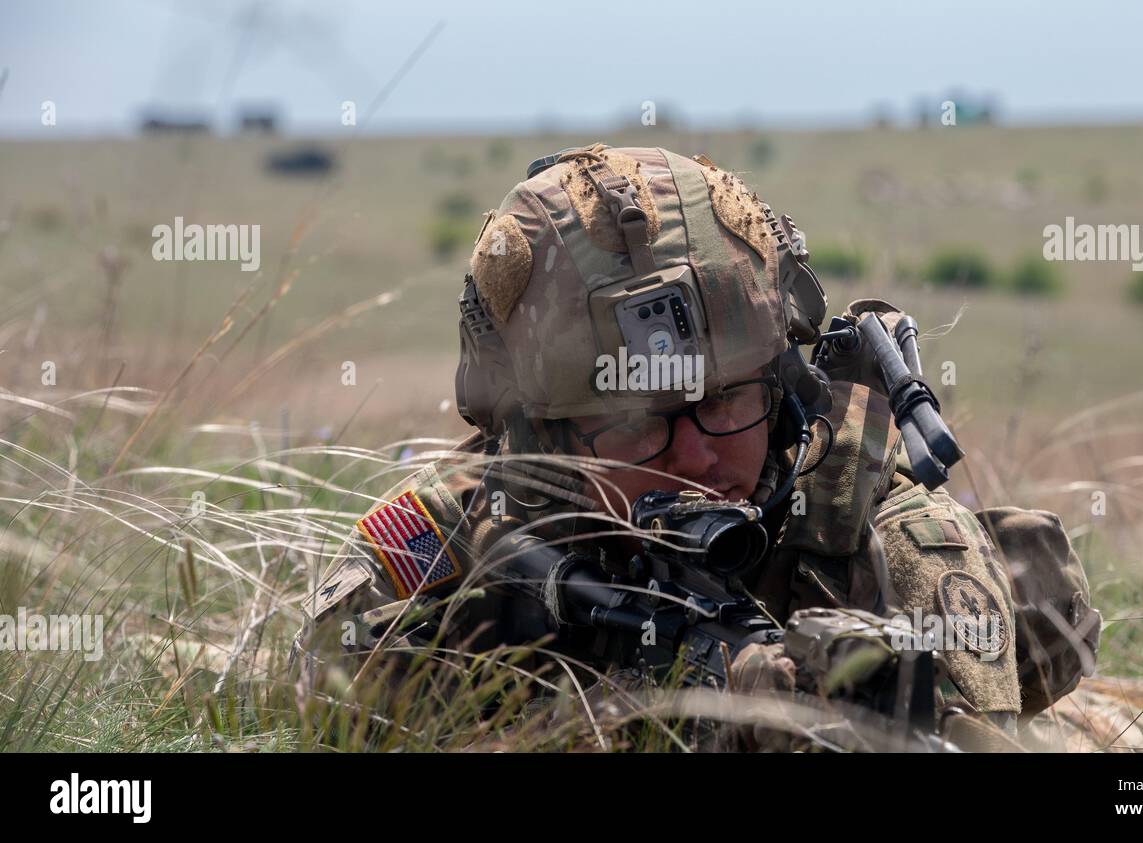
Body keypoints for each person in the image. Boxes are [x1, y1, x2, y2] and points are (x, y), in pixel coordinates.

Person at [293, 143, 1101, 750]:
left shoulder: (893, 544)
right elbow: (321, 687)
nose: (695, 458)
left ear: (784, 390)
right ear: (542, 436)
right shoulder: (482, 522)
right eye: (637, 423)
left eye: (723, 403)